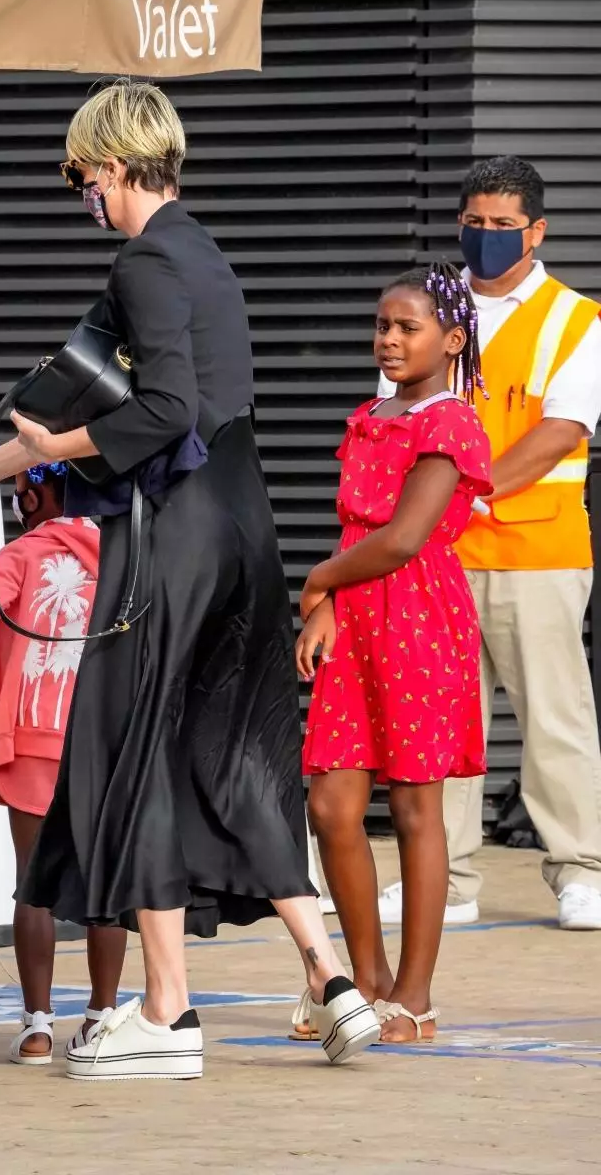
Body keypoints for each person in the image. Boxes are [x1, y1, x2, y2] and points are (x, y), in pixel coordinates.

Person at [0, 79, 380, 1080]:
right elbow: (128, 390)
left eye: (79, 172)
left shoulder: (143, 264)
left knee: (131, 750)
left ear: (114, 166)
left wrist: (51, 448)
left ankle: (168, 1010)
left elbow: (163, 408)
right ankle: (328, 976)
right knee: (225, 748)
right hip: (242, 523)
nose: (77, 189)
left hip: (171, 529)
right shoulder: (201, 255)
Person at [377, 157, 601, 931]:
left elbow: (561, 432)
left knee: (554, 718)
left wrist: (458, 493)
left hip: (536, 552)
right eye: (475, 222)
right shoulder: (428, 311)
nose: (486, 237)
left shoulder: (577, 320)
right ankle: (450, 877)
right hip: (439, 557)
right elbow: (394, 418)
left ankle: (582, 871)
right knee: (441, 720)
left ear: (536, 232)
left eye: (504, 226)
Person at [295, 261, 492, 1043]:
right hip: (355, 614)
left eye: (407, 327)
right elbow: (361, 536)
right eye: (382, 325)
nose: (388, 339)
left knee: (415, 807)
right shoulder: (372, 415)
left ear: (451, 340)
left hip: (417, 614)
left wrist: (315, 583)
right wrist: (329, 606)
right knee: (330, 805)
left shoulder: (451, 422)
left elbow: (405, 538)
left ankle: (413, 997)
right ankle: (364, 982)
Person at [0, 462, 123, 1064]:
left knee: (34, 883)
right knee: (105, 882)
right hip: (103, 738)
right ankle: (102, 1019)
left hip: (30, 735)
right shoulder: (124, 551)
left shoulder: (22, 553)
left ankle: (37, 1027)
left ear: (37, 494)